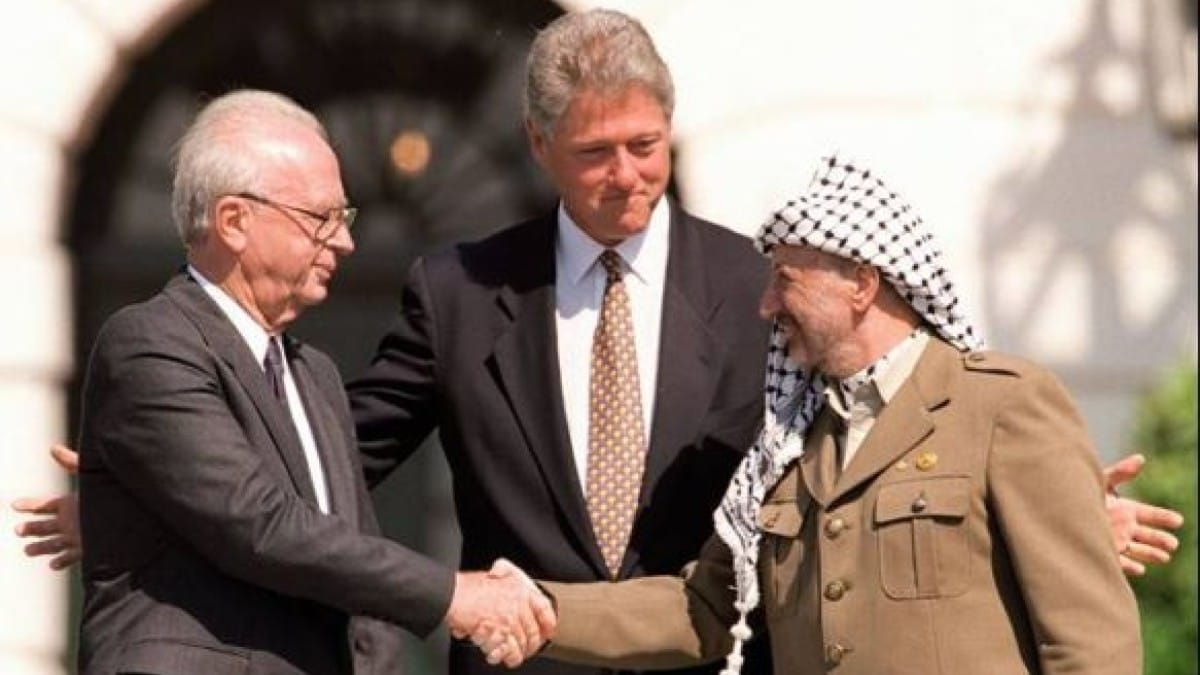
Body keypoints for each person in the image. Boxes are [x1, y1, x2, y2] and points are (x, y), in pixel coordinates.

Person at [12, 7, 1183, 674]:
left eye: (647, 145)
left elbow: (854, 448)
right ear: (537, 145)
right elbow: (334, 453)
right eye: (595, 152)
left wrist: (1053, 508)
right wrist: (153, 497)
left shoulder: (761, 285)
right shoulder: (461, 287)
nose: (627, 175)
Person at [491, 155, 1145, 675]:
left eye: (787, 279)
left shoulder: (1002, 404)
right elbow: (704, 606)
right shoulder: (785, 444)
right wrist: (546, 608)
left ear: (861, 284)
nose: (766, 304)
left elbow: (1090, 644)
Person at [61, 89, 552, 675]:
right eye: (322, 218)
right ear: (234, 221)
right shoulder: (149, 343)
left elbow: (352, 583)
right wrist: (453, 594)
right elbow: (258, 523)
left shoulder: (312, 375)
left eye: (344, 218)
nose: (344, 240)